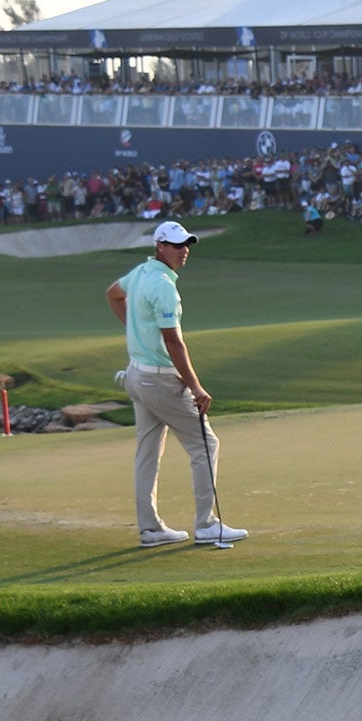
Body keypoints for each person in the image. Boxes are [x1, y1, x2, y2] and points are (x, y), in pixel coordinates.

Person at [104, 219, 245, 548]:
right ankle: (207, 524)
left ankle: (151, 530)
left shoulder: (140, 273)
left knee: (147, 453)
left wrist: (135, 329)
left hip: (136, 376)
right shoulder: (164, 286)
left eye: (187, 245)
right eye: (177, 245)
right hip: (159, 380)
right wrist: (195, 386)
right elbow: (174, 343)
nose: (184, 251)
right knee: (206, 445)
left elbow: (113, 295)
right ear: (160, 246)